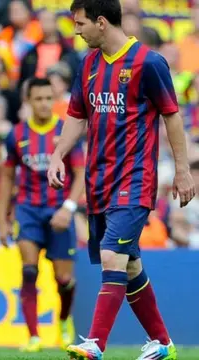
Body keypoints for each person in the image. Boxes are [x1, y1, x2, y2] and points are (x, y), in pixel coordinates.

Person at [47, 1, 196, 359]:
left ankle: (95, 343)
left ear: (101, 22)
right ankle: (162, 342)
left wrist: (183, 169)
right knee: (129, 264)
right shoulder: (88, 65)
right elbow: (76, 116)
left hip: (135, 176)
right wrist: (57, 154)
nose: (76, 31)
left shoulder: (149, 63)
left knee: (113, 253)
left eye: (80, 24)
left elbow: (172, 117)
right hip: (100, 181)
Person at [0, 77, 85, 352]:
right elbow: (7, 177)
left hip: (59, 211)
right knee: (29, 269)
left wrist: (69, 208)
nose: (45, 104)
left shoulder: (65, 133)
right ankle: (34, 336)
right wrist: (1, 219)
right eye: (39, 99)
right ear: (28, 101)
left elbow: (81, 173)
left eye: (49, 98)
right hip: (28, 210)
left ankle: (64, 320)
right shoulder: (17, 135)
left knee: (64, 280)